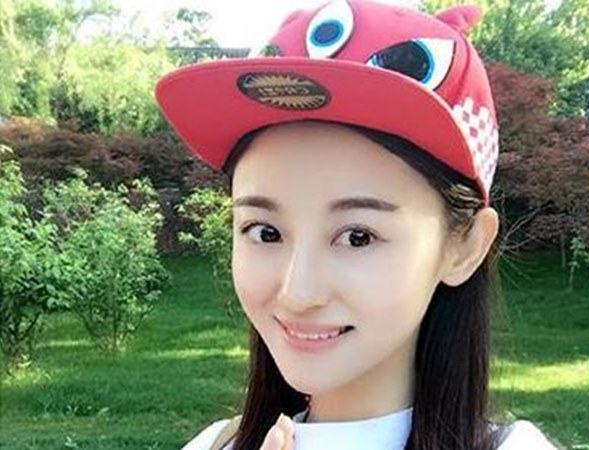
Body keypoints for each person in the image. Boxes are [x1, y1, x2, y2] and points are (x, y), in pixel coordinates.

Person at [155, 1, 562, 449]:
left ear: (464, 246)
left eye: (357, 237)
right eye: (265, 232)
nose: (298, 293)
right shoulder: (215, 443)